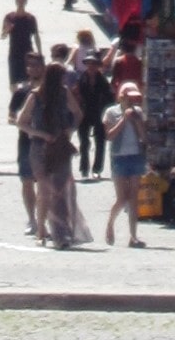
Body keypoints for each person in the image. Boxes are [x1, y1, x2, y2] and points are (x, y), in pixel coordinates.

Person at [22, 59, 80, 248]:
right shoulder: (36, 95)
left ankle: (61, 233)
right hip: (40, 147)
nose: (65, 79)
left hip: (60, 147)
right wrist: (42, 134)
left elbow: (78, 113)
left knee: (61, 191)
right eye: (62, 76)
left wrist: (69, 131)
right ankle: (41, 231)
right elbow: (22, 122)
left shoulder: (64, 93)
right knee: (45, 191)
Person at [103, 82, 147, 247]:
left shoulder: (138, 112)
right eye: (129, 97)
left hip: (135, 155)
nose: (131, 101)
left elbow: (144, 137)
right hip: (119, 157)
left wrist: (137, 121)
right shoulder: (111, 112)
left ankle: (133, 236)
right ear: (122, 97)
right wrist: (124, 118)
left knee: (134, 197)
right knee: (122, 198)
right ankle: (110, 224)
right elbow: (109, 135)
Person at [9, 52, 45, 234]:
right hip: (26, 142)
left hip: (45, 142)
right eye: (30, 66)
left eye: (36, 65)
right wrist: (19, 118)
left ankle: (43, 218)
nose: (33, 69)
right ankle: (32, 218)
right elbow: (11, 115)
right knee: (27, 181)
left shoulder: (49, 90)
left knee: (45, 183)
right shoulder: (22, 92)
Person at [75, 37, 112, 180]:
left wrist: (107, 116)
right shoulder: (81, 79)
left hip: (99, 114)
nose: (91, 66)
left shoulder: (103, 81)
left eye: (94, 64)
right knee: (84, 142)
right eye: (89, 63)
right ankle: (84, 168)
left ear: (98, 65)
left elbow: (110, 99)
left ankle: (97, 169)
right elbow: (76, 96)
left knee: (100, 141)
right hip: (84, 114)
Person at [2, 0, 41, 94]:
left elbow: (36, 35)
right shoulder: (9, 17)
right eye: (19, 0)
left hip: (28, 54)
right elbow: (3, 36)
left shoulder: (31, 18)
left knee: (29, 81)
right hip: (14, 54)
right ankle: (15, 102)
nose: (20, 2)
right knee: (13, 83)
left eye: (22, 0)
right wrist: (7, 29)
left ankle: (27, 101)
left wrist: (39, 53)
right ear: (15, 1)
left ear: (26, 2)